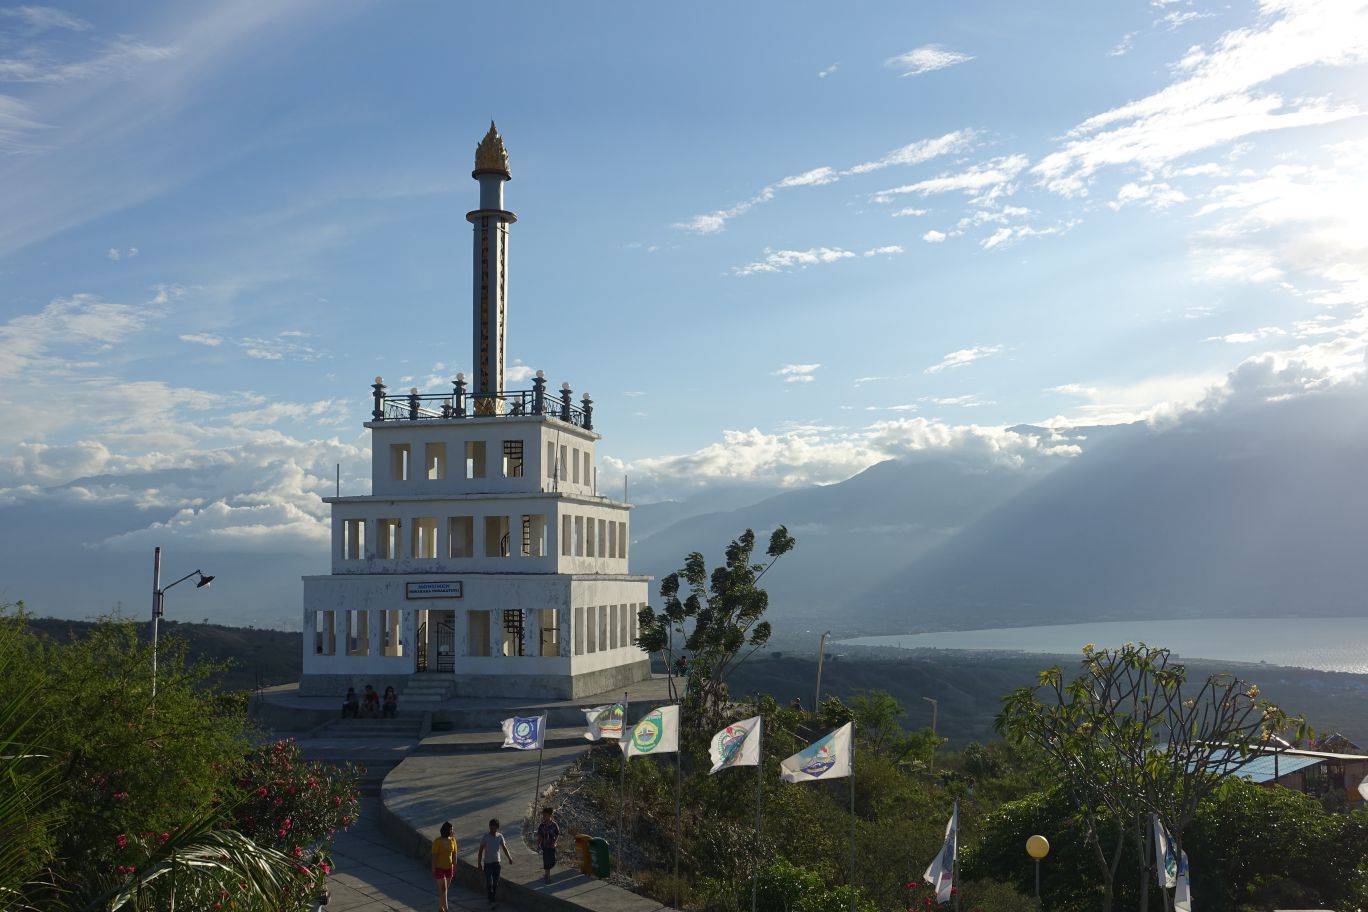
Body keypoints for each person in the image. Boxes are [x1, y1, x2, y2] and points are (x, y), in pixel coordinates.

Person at [477, 817, 514, 906]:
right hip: (488, 864)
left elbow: (504, 848)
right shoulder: (485, 837)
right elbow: (481, 851)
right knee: (490, 882)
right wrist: (479, 863)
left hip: (496, 863)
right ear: (489, 827)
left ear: (497, 828)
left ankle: (492, 899)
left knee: (495, 883)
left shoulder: (500, 836)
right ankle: (492, 900)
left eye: (494, 828)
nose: (492, 829)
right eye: (491, 827)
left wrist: (509, 857)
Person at [432, 821, 457, 912]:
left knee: (444, 890)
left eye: (452, 829)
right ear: (446, 830)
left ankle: (440, 908)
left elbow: (454, 853)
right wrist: (433, 868)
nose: (452, 831)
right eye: (451, 829)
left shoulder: (453, 840)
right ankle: (446, 909)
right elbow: (434, 855)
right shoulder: (438, 841)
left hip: (449, 867)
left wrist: (454, 864)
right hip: (439, 868)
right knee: (443, 888)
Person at [535, 806, 560, 883]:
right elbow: (540, 836)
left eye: (545, 815)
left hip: (552, 846)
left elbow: (557, 834)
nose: (543, 817)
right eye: (543, 815)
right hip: (545, 846)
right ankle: (548, 878)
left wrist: (555, 842)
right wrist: (538, 844)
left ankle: (546, 874)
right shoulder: (541, 826)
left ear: (550, 815)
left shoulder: (554, 825)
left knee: (552, 861)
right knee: (546, 861)